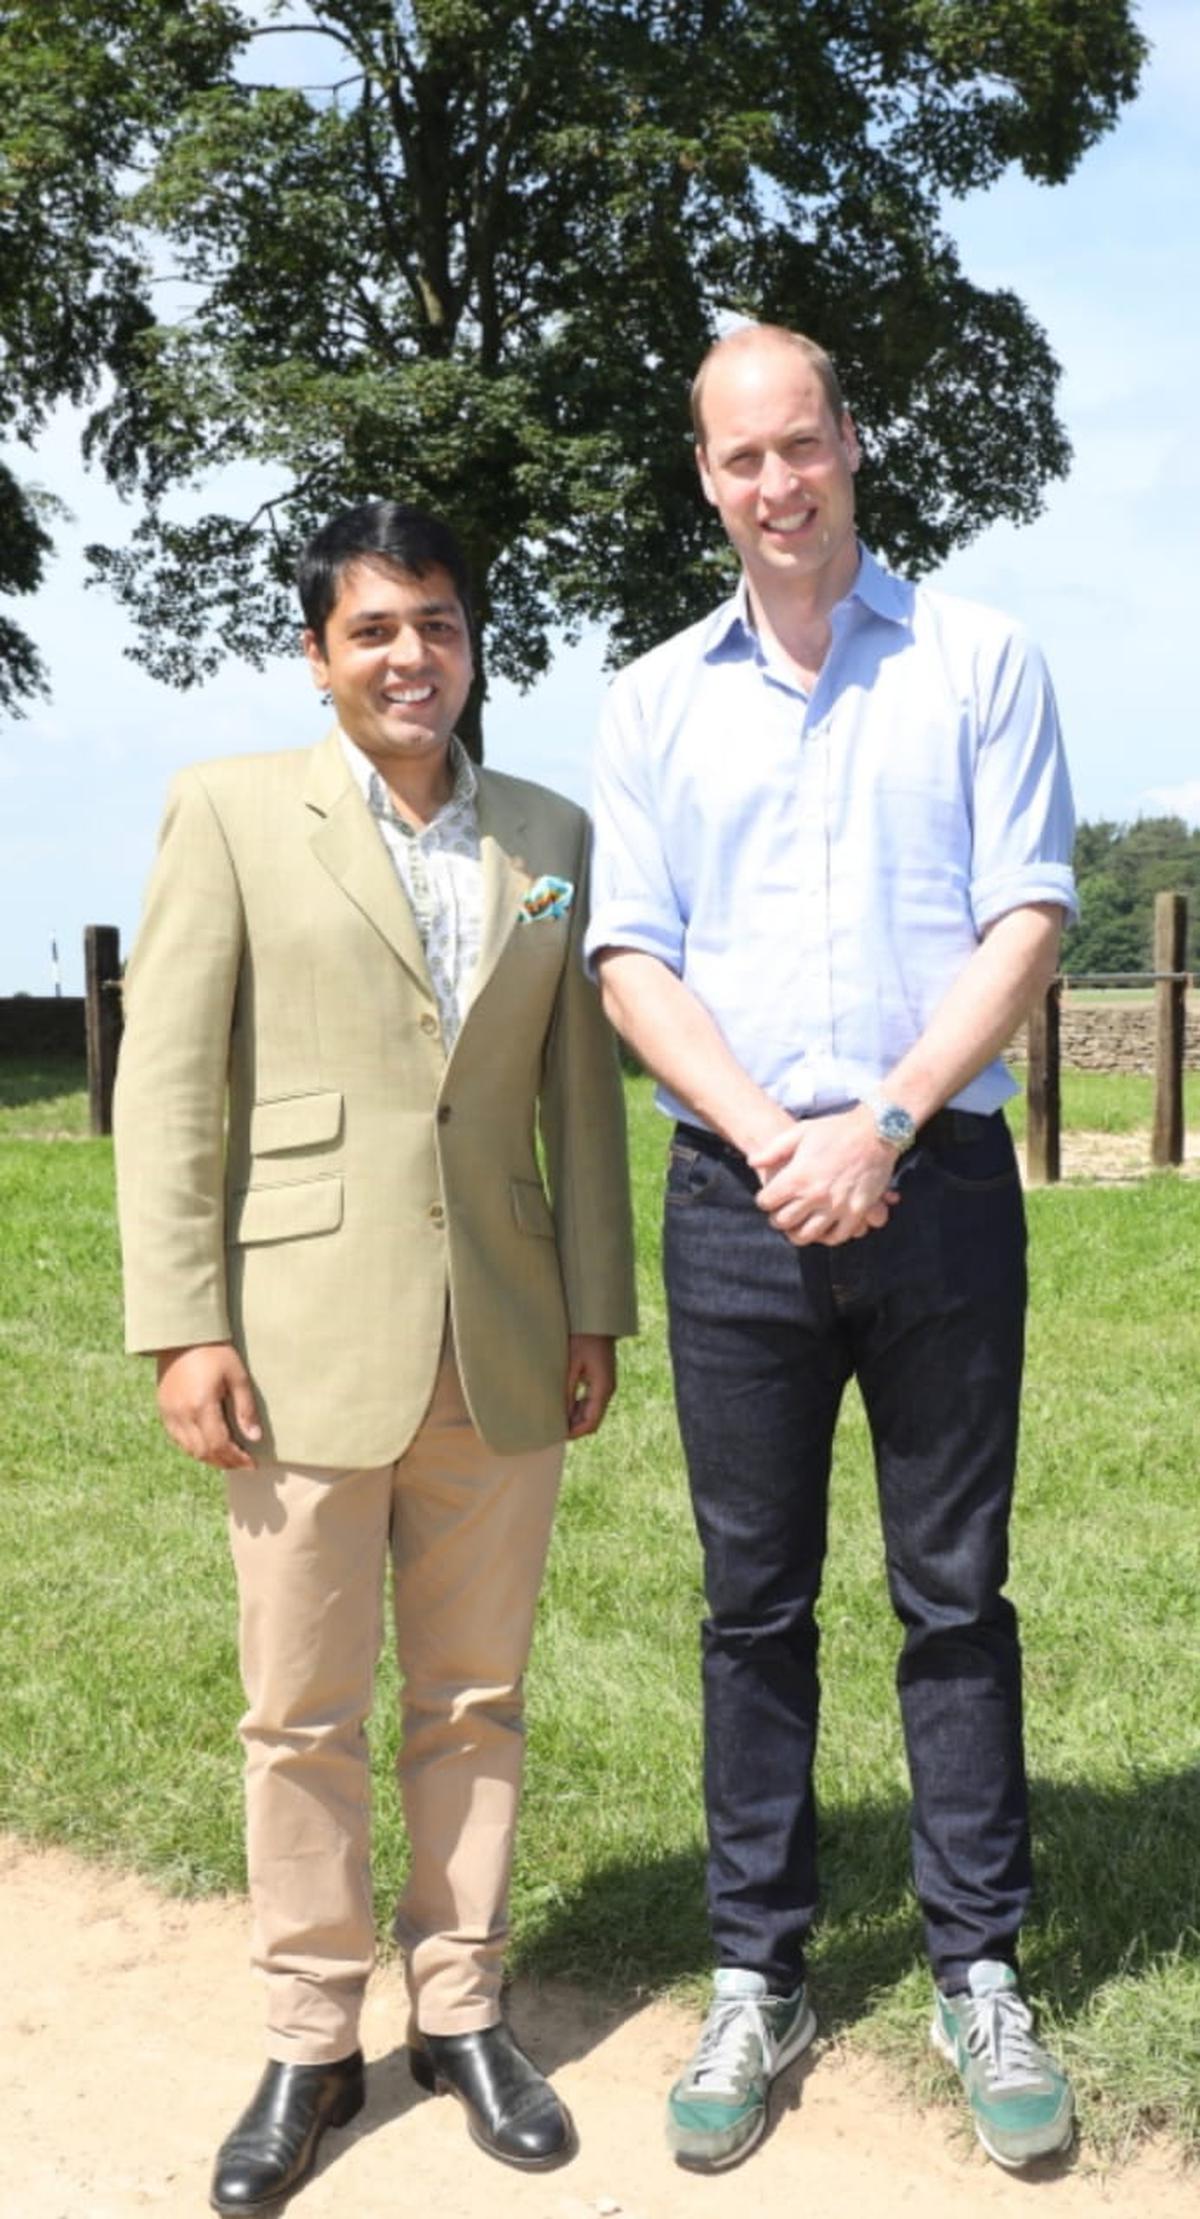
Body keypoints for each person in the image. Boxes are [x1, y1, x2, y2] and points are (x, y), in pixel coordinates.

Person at [585, 325, 1077, 2176]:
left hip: (934, 1184)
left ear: (852, 445)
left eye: (803, 445)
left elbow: (1030, 910)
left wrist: (876, 1124)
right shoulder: (649, 700)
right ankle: (756, 1970)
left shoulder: (979, 662)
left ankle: (978, 1965)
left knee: (954, 1596)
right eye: (740, 460)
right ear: (703, 476)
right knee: (751, 1608)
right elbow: (632, 953)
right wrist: (777, 1138)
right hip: (735, 1202)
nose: (777, 486)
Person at [114, 500, 637, 2216]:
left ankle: (463, 2008)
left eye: (439, 624)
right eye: (374, 631)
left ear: (472, 640)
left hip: (500, 1336)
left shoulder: (551, 835)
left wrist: (593, 1309)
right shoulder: (231, 814)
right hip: (296, 1341)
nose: (412, 657)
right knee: (303, 1713)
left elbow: (578, 1096)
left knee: (477, 1700)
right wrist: (184, 1321)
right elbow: (171, 1084)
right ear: (321, 653)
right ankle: (310, 2034)